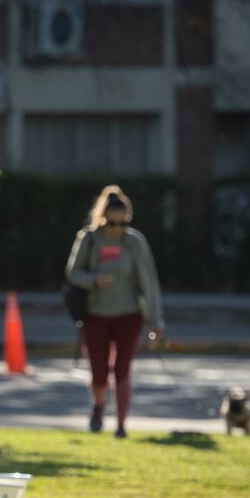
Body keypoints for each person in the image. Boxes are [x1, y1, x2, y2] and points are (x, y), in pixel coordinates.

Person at [65, 185, 164, 438]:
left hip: (129, 314)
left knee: (123, 370)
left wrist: (155, 322)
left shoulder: (134, 242)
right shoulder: (88, 238)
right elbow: (73, 272)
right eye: (112, 224)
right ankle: (98, 405)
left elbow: (149, 282)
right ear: (102, 218)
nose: (117, 229)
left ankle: (121, 425)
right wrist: (94, 280)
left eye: (122, 224)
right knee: (99, 372)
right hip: (96, 313)